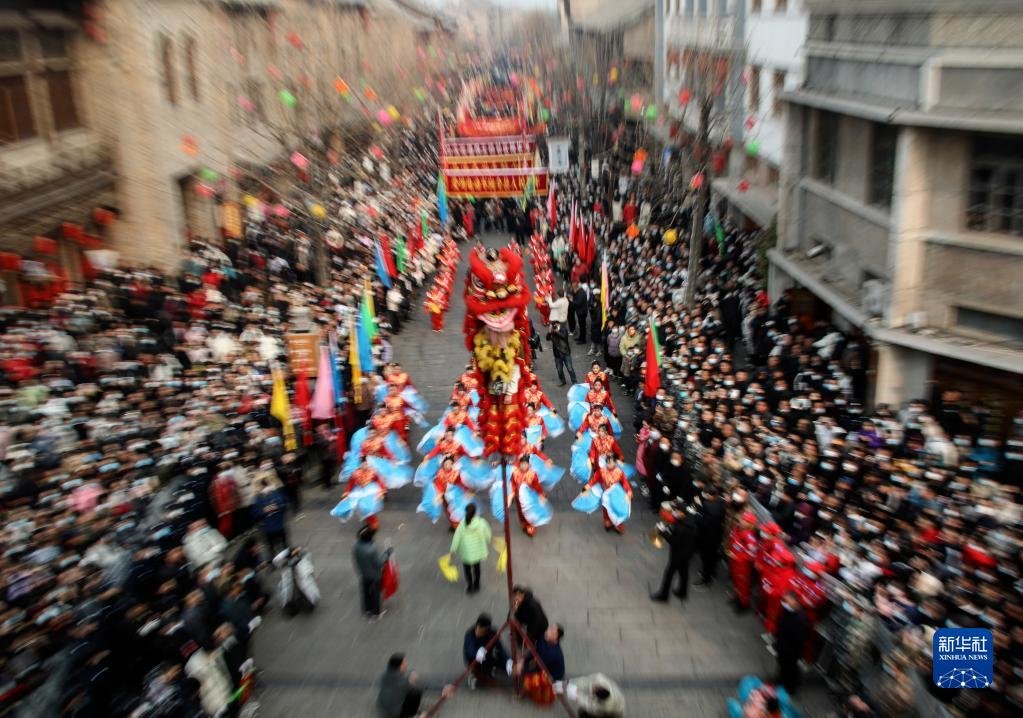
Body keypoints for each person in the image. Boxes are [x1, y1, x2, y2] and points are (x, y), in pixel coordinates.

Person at [650, 501, 697, 604]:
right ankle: (682, 591)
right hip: (687, 552)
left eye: (676, 510)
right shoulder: (689, 519)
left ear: (682, 513)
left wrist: (663, 532)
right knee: (684, 572)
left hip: (678, 554)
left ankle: (663, 595)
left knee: (669, 574)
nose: (674, 512)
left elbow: (674, 541)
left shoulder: (682, 528)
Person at [516, 623, 565, 706]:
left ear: (555, 636)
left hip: (551, 676)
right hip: (542, 664)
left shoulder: (553, 653)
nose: (548, 630)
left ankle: (522, 693)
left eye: (551, 630)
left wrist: (522, 669)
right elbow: (534, 651)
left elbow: (538, 667)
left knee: (527, 681)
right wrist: (522, 660)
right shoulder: (544, 637)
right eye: (550, 628)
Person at [449, 503, 492, 594]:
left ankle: (470, 586)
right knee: (477, 567)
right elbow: (488, 534)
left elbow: (457, 538)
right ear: (475, 512)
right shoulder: (481, 522)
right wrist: (490, 541)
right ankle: (477, 584)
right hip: (477, 551)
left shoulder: (462, 523)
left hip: (466, 552)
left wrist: (452, 551)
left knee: (467, 569)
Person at [462, 613, 510, 689]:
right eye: (479, 630)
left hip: (488, 657)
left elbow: (500, 648)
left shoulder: (492, 633)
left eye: (483, 631)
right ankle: (474, 675)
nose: (479, 633)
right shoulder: (469, 634)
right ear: (477, 626)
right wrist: (477, 653)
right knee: (478, 668)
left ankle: (490, 670)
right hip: (474, 660)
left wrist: (507, 661)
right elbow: (469, 651)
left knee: (505, 665)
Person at [353, 525, 391, 619]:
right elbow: (379, 563)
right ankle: (376, 612)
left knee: (366, 592)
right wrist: (387, 554)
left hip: (363, 573)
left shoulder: (356, 546)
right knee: (375, 593)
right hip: (374, 575)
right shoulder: (371, 549)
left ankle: (367, 610)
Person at [774, 591, 808, 695]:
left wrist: (795, 653)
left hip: (791, 652)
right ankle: (781, 681)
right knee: (782, 667)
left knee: (790, 670)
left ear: (795, 602)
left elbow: (799, 640)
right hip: (782, 646)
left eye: (787, 601)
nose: (785, 604)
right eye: (784, 601)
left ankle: (789, 688)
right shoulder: (787, 610)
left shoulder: (800, 619)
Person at [695, 485, 726, 586]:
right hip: (717, 535)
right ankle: (712, 572)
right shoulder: (721, 502)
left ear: (711, 495)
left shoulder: (707, 504)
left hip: (707, 536)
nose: (705, 496)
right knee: (713, 556)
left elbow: (704, 522)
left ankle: (706, 578)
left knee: (706, 557)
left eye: (706, 494)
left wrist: (698, 512)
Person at [377, 653, 422, 718]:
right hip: (395, 712)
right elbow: (409, 687)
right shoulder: (400, 678)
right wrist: (412, 680)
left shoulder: (386, 674)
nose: (406, 664)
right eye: (404, 663)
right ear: (399, 666)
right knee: (416, 691)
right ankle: (410, 715)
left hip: (384, 707)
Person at [512, 585, 549, 650]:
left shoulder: (533, 604)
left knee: (534, 638)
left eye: (516, 597)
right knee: (516, 624)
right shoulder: (518, 602)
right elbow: (517, 615)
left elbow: (537, 621)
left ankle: (529, 643)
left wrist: (529, 634)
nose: (515, 600)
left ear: (521, 595)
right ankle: (521, 641)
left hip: (540, 625)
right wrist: (515, 611)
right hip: (529, 621)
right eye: (514, 597)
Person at [547, 320, 577, 386]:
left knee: (570, 368)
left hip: (565, 352)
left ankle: (574, 382)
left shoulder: (563, 329)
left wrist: (557, 332)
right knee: (559, 370)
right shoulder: (552, 330)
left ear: (558, 324)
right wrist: (549, 332)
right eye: (553, 325)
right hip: (557, 354)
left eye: (556, 325)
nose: (555, 326)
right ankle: (562, 381)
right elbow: (547, 338)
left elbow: (564, 337)